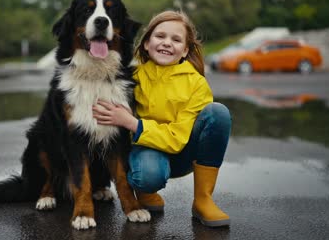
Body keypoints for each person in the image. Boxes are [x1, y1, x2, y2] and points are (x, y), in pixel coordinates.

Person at [92, 11, 231, 227]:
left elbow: (176, 139)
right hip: (147, 153)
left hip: (182, 153)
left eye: (176, 40)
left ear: (185, 50)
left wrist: (131, 122)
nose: (167, 43)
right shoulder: (133, 76)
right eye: (160, 36)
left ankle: (203, 200)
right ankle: (146, 191)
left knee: (218, 113)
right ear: (147, 43)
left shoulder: (196, 83)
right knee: (147, 175)